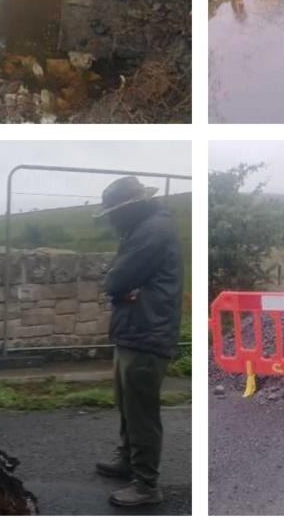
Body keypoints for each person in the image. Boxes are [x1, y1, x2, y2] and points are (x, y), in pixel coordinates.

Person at [94, 176, 183, 508]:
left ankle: (146, 484)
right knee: (127, 403)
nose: (111, 219)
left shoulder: (151, 232)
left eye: (114, 212)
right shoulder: (143, 227)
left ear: (130, 208)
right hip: (135, 327)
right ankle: (129, 460)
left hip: (147, 331)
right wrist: (123, 288)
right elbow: (120, 281)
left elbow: (116, 279)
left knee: (142, 411)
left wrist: (122, 287)